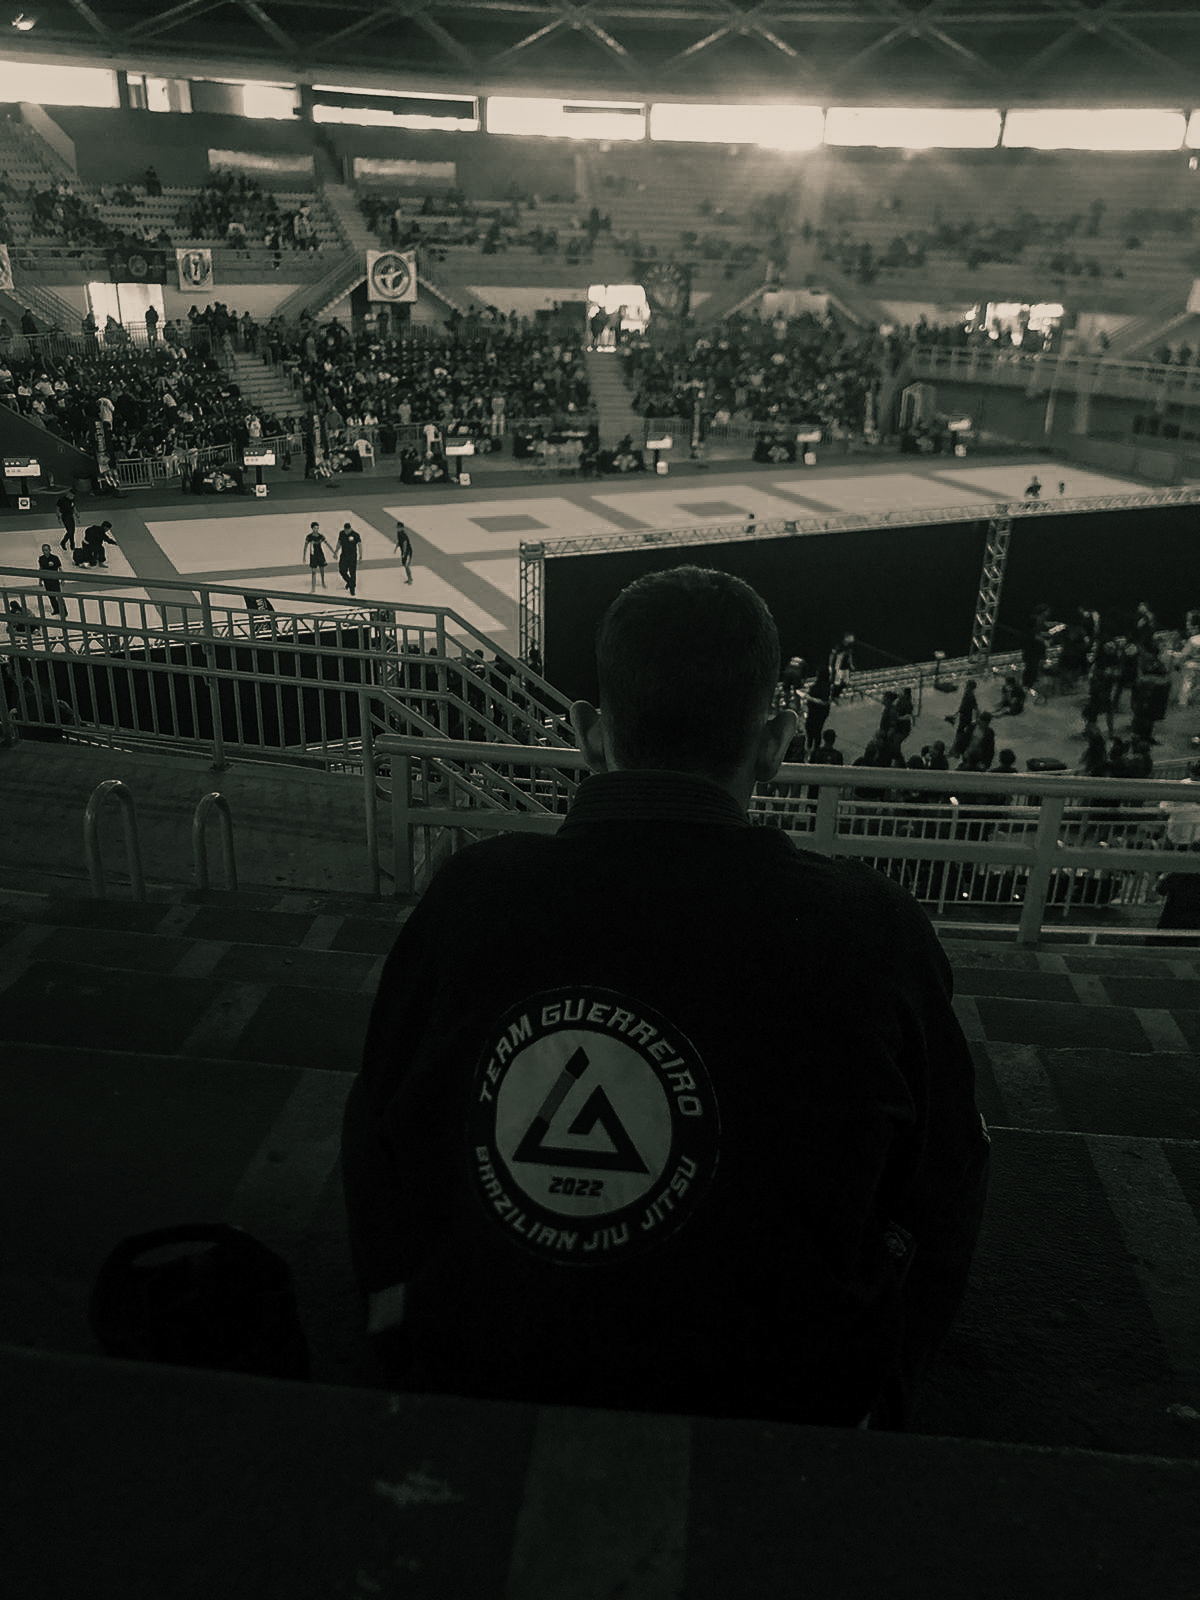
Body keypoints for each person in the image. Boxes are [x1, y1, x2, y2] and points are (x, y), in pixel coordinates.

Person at [340, 565, 990, 1432]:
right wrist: (883, 1383)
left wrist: (398, 1332)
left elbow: (377, 1134)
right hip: (783, 1416)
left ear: (587, 734)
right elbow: (944, 1183)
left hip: (476, 1385)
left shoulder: (469, 897)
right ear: (778, 743)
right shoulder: (873, 930)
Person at [336, 521, 363, 597]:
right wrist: (336, 551)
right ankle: (350, 582)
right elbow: (339, 542)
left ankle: (352, 589)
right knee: (342, 570)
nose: (346, 532)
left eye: (347, 530)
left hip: (352, 557)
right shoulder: (341, 533)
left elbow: (360, 545)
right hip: (344, 555)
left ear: (350, 529)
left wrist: (361, 556)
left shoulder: (355, 535)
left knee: (352, 572)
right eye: (345, 530)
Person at [37, 543, 64, 618]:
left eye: (46, 550)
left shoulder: (55, 558)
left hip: (54, 580)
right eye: (43, 550)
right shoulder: (41, 558)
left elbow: (60, 569)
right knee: (51, 597)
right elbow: (41, 569)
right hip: (46, 580)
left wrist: (62, 579)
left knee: (59, 596)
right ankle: (56, 610)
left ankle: (64, 611)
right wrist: (40, 580)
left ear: (50, 550)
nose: (45, 552)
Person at [303, 522, 328, 591]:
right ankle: (313, 588)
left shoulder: (321, 536)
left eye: (317, 528)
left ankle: (323, 582)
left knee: (322, 569)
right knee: (313, 571)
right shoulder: (309, 537)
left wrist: (334, 552)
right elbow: (305, 547)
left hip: (320, 554)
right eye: (315, 528)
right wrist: (304, 556)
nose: (316, 529)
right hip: (313, 555)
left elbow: (327, 544)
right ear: (312, 528)